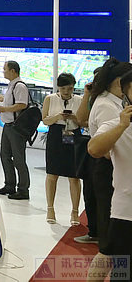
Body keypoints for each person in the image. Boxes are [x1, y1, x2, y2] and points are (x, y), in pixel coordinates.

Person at [84, 58, 132, 273]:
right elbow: (97, 149)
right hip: (113, 178)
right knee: (110, 248)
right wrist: (121, 126)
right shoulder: (109, 107)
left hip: (114, 175)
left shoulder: (107, 101)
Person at [41, 73, 82, 225]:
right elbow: (45, 120)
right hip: (55, 135)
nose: (66, 91)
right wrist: (58, 117)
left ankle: (75, 212)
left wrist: (74, 118)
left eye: (70, 88)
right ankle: (50, 208)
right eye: (63, 88)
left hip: (73, 134)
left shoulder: (79, 100)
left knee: (74, 176)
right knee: (52, 173)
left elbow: (84, 122)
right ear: (58, 87)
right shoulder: (50, 99)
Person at [73, 67, 103, 244]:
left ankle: (103, 231)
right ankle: (94, 231)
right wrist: (86, 94)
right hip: (88, 146)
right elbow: (80, 120)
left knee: (102, 192)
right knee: (89, 190)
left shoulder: (111, 102)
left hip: (104, 150)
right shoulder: (92, 98)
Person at [0, 60, 31, 200]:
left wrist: (4, 109)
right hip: (8, 125)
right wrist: (4, 99)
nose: (3, 71)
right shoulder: (11, 85)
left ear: (13, 71)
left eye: (5, 69)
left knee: (18, 159)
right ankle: (9, 185)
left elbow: (22, 104)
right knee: (5, 156)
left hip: (16, 127)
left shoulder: (20, 86)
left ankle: (23, 189)